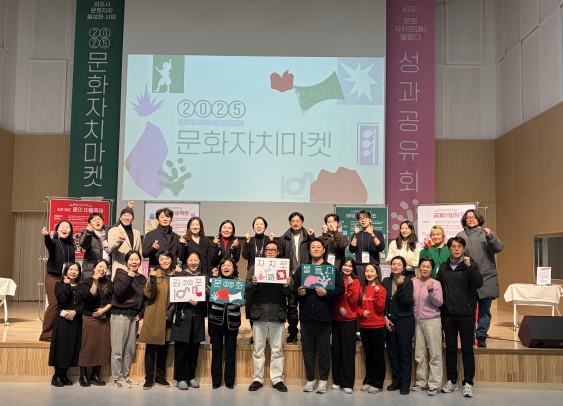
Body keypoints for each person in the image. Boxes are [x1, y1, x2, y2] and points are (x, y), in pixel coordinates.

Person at [294, 238, 345, 394]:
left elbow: (341, 289)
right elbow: (293, 287)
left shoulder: (331, 269)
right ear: (309, 251)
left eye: (318, 247)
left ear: (324, 250)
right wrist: (298, 291)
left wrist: (326, 292)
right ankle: (310, 380)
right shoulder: (302, 269)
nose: (315, 249)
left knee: (324, 350)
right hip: (306, 316)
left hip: (323, 316)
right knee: (308, 350)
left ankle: (323, 380)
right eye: (313, 247)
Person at [437, 237, 482, 398]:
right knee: (450, 349)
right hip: (448, 314)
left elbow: (478, 283)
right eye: (453, 246)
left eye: (459, 246)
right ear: (449, 249)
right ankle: (452, 381)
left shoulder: (470, 265)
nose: (456, 249)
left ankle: (468, 382)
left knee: (467, 349)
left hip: (466, 314)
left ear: (464, 249)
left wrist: (470, 267)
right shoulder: (443, 267)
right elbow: (438, 287)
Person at [246, 241, 292, 392]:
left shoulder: (284, 267)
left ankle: (277, 379)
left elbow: (290, 291)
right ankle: (257, 379)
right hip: (259, 313)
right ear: (264, 252)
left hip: (277, 313)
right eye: (268, 249)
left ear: (278, 252)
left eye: (273, 249)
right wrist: (254, 283)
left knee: (277, 350)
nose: (271, 251)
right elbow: (246, 286)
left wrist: (286, 285)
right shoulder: (256, 267)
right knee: (258, 349)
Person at [457, 210, 503, 348]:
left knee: (484, 309)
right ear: (464, 220)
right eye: (468, 218)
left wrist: (490, 236)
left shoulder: (487, 233)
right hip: (468, 278)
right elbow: (456, 253)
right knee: (468, 310)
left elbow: (498, 248)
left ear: (479, 219)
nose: (471, 219)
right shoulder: (460, 235)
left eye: (473, 217)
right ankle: (470, 335)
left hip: (486, 277)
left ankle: (481, 335)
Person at [140, 251, 182, 390]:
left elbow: (178, 295)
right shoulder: (154, 274)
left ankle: (160, 377)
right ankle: (149, 378)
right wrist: (152, 280)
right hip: (154, 316)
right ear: (158, 261)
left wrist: (172, 310)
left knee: (163, 349)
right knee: (150, 349)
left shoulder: (175, 276)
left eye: (167, 259)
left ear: (172, 260)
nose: (165, 261)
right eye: (162, 259)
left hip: (167, 317)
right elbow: (149, 294)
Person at [170, 251, 209, 390]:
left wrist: (199, 302)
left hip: (197, 318)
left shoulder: (205, 277)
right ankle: (180, 378)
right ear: (186, 261)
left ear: (200, 262)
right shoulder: (180, 276)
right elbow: (173, 295)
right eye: (190, 260)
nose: (193, 262)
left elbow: (208, 297)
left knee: (194, 350)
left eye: (196, 260)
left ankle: (191, 376)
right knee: (181, 350)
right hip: (182, 317)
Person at [111, 251, 147, 389]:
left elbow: (144, 299)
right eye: (131, 259)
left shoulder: (143, 278)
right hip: (120, 315)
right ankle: (117, 378)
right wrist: (129, 277)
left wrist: (141, 313)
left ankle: (125, 375)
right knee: (118, 349)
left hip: (134, 317)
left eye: (137, 259)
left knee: (129, 349)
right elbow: (119, 292)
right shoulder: (120, 275)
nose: (134, 262)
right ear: (126, 261)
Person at [278, 212, 315, 343]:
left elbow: (315, 252)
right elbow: (280, 259)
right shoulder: (283, 238)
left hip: (307, 276)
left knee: (306, 305)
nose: (295, 223)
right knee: (292, 307)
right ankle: (293, 332)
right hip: (291, 276)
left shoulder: (308, 236)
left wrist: (312, 237)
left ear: (302, 222)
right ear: (290, 223)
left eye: (298, 221)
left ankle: (306, 332)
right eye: (293, 221)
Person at [208, 258, 243, 389]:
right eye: (223, 265)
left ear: (233, 268)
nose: (226, 267)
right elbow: (207, 293)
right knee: (216, 352)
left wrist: (240, 303)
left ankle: (229, 381)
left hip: (232, 322)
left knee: (230, 352)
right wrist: (213, 279)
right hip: (216, 320)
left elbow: (244, 299)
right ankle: (216, 381)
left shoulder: (238, 282)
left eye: (229, 265)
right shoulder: (214, 280)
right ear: (220, 268)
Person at [382, 256, 415, 395]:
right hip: (389, 321)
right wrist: (385, 317)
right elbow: (383, 302)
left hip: (404, 322)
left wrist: (400, 286)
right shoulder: (386, 281)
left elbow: (406, 301)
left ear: (403, 267)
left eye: (399, 264)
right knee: (393, 353)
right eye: (393, 264)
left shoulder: (408, 282)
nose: (395, 266)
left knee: (404, 353)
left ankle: (405, 383)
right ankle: (396, 381)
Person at [40, 221, 76, 342]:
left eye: (67, 227)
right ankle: (45, 334)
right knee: (54, 303)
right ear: (57, 230)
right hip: (53, 277)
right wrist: (46, 236)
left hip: (65, 278)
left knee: (63, 304)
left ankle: (57, 332)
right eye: (62, 227)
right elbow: (49, 245)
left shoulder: (71, 244)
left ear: (70, 231)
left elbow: (72, 262)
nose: (64, 229)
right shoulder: (54, 241)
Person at [48, 262, 83, 387]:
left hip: (75, 320)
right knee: (61, 347)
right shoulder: (59, 284)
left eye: (76, 269)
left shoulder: (81, 286)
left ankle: (64, 374)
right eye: (71, 269)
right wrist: (67, 285)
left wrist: (75, 311)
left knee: (71, 348)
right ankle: (57, 376)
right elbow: (62, 299)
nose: (73, 272)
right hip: (62, 320)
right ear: (66, 271)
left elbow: (84, 304)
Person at [412, 257, 443, 396]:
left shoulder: (435, 283)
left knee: (435, 353)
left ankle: (434, 384)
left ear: (432, 269)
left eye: (428, 267)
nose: (425, 269)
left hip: (432, 320)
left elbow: (439, 303)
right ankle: (421, 381)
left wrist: (431, 292)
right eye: (423, 266)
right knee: (419, 353)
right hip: (417, 320)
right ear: (419, 267)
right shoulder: (413, 282)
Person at [79, 259, 113, 387]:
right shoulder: (86, 282)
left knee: (101, 347)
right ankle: (83, 375)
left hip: (104, 318)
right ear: (94, 268)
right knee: (88, 346)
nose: (102, 269)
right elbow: (90, 296)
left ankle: (95, 375)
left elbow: (113, 300)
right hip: (90, 318)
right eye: (100, 266)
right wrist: (95, 280)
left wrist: (104, 310)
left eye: (105, 267)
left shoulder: (109, 283)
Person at [330, 257, 360, 394]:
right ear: (341, 266)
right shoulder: (335, 280)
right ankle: (337, 381)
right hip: (336, 319)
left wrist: (350, 286)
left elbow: (353, 301)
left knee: (348, 352)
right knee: (336, 351)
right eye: (345, 265)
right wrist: (338, 308)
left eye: (350, 266)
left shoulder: (356, 282)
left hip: (350, 321)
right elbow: (331, 299)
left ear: (353, 269)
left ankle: (347, 383)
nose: (347, 268)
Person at [242, 216, 274, 343]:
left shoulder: (268, 240)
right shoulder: (250, 240)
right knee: (251, 304)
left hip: (267, 277)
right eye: (256, 224)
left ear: (265, 227)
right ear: (253, 226)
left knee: (265, 305)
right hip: (253, 276)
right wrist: (247, 242)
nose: (259, 226)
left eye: (261, 224)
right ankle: (255, 333)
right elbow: (245, 256)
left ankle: (264, 335)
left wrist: (272, 242)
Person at [357, 264, 386, 394]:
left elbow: (380, 308)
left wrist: (376, 294)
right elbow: (356, 308)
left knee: (378, 355)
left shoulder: (381, 289)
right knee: (368, 355)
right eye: (367, 271)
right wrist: (362, 312)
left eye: (372, 271)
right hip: (364, 327)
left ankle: (378, 383)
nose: (369, 273)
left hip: (377, 326)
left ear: (377, 274)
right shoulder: (361, 289)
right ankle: (368, 380)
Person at [349, 210, 385, 283]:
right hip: (360, 267)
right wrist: (355, 235)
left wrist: (372, 234)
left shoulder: (378, 233)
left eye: (365, 218)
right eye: (360, 219)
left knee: (375, 288)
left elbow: (381, 247)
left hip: (373, 267)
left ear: (370, 219)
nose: (362, 220)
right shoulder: (356, 234)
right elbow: (352, 249)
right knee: (359, 288)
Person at [108, 206, 142, 280]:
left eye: (129, 215)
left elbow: (139, 253)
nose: (126, 218)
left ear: (133, 219)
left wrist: (140, 272)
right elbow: (110, 250)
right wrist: (119, 240)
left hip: (134, 271)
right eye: (124, 215)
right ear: (120, 218)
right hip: (120, 271)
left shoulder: (137, 233)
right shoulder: (113, 230)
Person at [79, 213, 110, 280]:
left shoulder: (109, 233)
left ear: (103, 222)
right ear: (90, 224)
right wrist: (88, 233)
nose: (97, 221)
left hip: (107, 271)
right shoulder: (86, 233)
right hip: (91, 271)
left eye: (99, 219)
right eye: (94, 220)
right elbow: (83, 244)